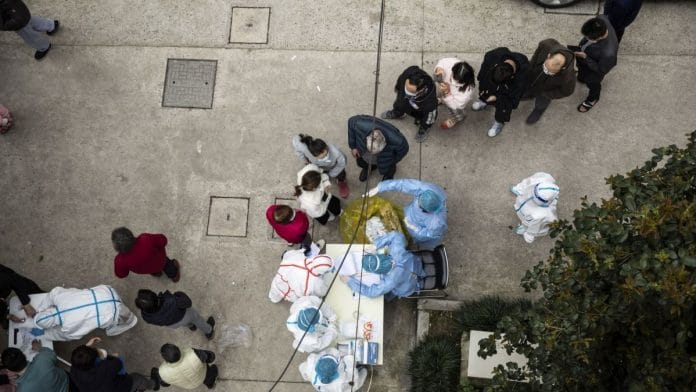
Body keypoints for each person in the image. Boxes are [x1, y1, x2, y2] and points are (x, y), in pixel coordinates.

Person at [30, 285, 137, 341]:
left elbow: (64, 335)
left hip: (114, 313)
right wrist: (39, 309)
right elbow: (52, 294)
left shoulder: (67, 326)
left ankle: (125, 320)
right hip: (107, 291)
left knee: (118, 324)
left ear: (52, 325)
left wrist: (46, 334)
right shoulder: (58, 297)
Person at [366, 179, 447, 249]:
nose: (418, 203)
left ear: (429, 211)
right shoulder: (427, 191)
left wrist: (415, 228)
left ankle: (410, 239)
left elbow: (430, 234)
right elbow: (403, 184)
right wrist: (380, 187)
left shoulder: (436, 222)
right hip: (408, 213)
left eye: (420, 207)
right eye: (419, 199)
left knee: (408, 238)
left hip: (415, 231)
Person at [341, 231, 424, 299]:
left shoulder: (391, 280)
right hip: (417, 264)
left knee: (388, 293)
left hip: (408, 287)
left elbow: (371, 293)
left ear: (378, 272)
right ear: (379, 256)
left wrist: (350, 281)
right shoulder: (397, 251)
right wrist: (375, 246)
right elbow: (397, 235)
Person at [472, 47, 530, 137]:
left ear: (511, 77)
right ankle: (483, 101)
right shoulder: (493, 55)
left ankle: (499, 122)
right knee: (486, 89)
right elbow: (483, 71)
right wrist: (482, 81)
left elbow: (513, 101)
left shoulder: (523, 75)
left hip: (506, 94)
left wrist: (497, 97)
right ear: (496, 66)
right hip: (488, 86)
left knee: (504, 108)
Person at [523, 39, 576, 124]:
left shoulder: (568, 78)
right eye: (545, 67)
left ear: (562, 68)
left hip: (545, 91)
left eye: (550, 72)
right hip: (533, 79)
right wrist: (531, 67)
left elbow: (567, 92)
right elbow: (536, 56)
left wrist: (546, 94)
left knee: (541, 103)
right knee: (528, 88)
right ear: (548, 56)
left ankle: (538, 110)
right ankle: (530, 94)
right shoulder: (545, 45)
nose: (545, 71)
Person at [572, 16, 618, 113]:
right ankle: (581, 77)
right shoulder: (602, 19)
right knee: (581, 73)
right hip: (584, 60)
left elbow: (601, 70)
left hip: (594, 71)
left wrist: (585, 57)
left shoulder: (609, 54)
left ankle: (593, 99)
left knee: (593, 84)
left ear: (600, 36)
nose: (586, 38)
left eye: (589, 38)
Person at [381, 66, 438, 142]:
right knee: (399, 103)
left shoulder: (430, 103)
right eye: (406, 88)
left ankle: (423, 129)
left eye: (411, 93)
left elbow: (430, 117)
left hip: (418, 110)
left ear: (421, 91)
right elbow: (401, 78)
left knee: (425, 119)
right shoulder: (410, 72)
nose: (407, 94)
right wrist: (398, 87)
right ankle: (397, 113)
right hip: (404, 101)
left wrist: (426, 125)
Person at [70, 344, 158, 392]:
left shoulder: (74, 370)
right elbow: (118, 363)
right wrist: (109, 357)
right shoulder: (106, 368)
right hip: (121, 388)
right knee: (138, 378)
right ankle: (154, 384)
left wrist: (87, 348)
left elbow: (81, 360)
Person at [347, 115, 409, 182]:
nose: (371, 154)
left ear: (384, 144)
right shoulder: (358, 123)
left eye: (375, 152)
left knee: (389, 168)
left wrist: (392, 161)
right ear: (368, 137)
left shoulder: (399, 141)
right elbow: (351, 121)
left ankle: (388, 175)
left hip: (385, 158)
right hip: (362, 150)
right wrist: (353, 147)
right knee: (362, 162)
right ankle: (368, 168)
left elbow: (403, 151)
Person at [135, 289, 215, 339]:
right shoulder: (171, 301)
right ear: (154, 295)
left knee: (185, 323)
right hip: (185, 315)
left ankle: (192, 326)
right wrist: (178, 294)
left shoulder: (146, 316)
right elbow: (188, 303)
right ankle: (209, 331)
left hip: (172, 324)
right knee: (197, 319)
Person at [112, 227, 181, 282]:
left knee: (152, 269)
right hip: (161, 260)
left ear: (117, 248)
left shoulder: (120, 261)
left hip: (146, 270)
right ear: (131, 234)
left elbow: (121, 274)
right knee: (167, 265)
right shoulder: (146, 239)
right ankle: (174, 275)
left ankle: (157, 273)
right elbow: (163, 240)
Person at [293, 134, 350, 198]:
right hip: (320, 167)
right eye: (322, 157)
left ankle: (341, 181)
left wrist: (330, 175)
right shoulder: (306, 149)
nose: (325, 157)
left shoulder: (336, 152)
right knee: (319, 177)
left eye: (326, 154)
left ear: (326, 147)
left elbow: (341, 164)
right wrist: (304, 159)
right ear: (313, 154)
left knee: (341, 173)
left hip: (335, 166)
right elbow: (296, 141)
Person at [269, 249, 334, 303]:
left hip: (279, 282)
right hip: (292, 294)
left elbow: (287, 254)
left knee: (274, 294)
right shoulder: (315, 283)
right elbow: (322, 292)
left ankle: (274, 298)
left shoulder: (298, 256)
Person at [511, 172, 560, 243]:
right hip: (524, 202)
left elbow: (536, 226)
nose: (533, 195)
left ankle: (527, 231)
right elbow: (529, 181)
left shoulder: (543, 214)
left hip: (528, 214)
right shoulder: (544, 178)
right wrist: (520, 188)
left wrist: (527, 230)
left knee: (535, 222)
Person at [1, 342, 69, 392]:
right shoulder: (42, 358)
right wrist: (39, 348)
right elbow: (52, 355)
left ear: (10, 370)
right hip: (65, 381)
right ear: (24, 355)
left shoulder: (22, 389)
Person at [152, 343, 218, 390]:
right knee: (207, 373)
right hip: (202, 375)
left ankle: (209, 384)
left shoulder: (162, 372)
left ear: (165, 359)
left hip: (189, 386)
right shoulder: (193, 354)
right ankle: (210, 383)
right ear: (178, 349)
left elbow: (165, 384)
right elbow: (211, 357)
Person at [433, 58, 477, 129]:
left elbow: (455, 106)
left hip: (454, 104)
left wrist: (447, 93)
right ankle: (442, 100)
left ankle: (457, 118)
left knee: (457, 112)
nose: (451, 80)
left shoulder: (467, 92)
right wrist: (439, 69)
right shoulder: (453, 62)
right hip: (445, 95)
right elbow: (442, 62)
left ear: (465, 81)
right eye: (452, 75)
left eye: (456, 82)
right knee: (442, 96)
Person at [298, 348, 367, 392]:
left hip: (321, 386)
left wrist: (341, 354)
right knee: (363, 373)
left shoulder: (311, 362)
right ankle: (363, 370)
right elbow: (353, 375)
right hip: (343, 387)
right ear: (335, 375)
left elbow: (330, 351)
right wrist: (350, 359)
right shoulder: (340, 383)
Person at [0, 264, 43, 328]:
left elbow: (15, 280)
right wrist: (7, 316)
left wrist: (26, 303)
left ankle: (40, 294)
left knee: (25, 285)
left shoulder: (3, 279)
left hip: (6, 278)